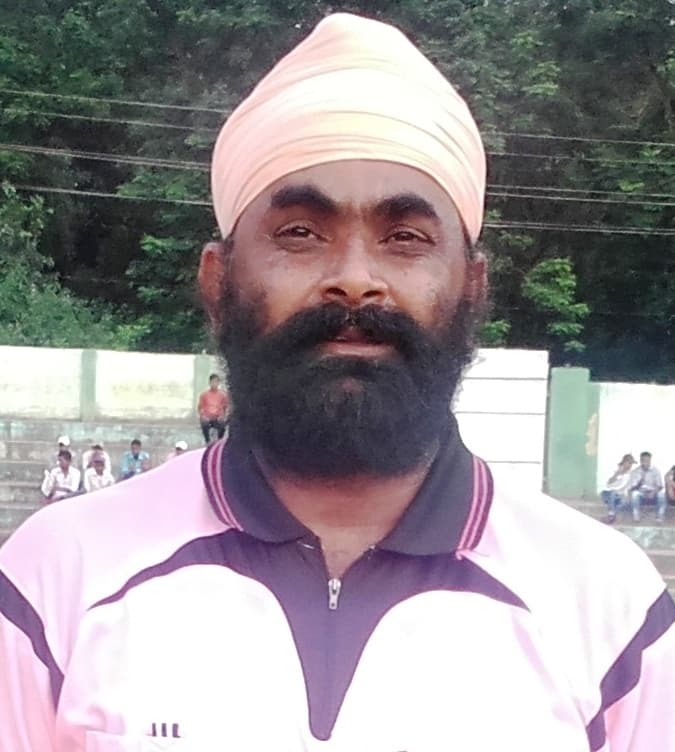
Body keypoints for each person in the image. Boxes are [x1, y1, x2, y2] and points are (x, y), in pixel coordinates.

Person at [0, 14, 673, 752]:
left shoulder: (609, 611)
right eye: (300, 232)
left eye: (405, 238)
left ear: (473, 290)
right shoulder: (54, 584)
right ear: (218, 282)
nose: (355, 279)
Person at [628, 451, 666, 523]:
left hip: (653, 493)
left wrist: (654, 492)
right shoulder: (636, 471)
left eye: (647, 460)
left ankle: (660, 516)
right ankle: (636, 515)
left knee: (661, 494)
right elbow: (632, 488)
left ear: (650, 460)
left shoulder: (655, 470)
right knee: (634, 494)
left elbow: (660, 486)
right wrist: (640, 483)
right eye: (643, 460)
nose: (645, 462)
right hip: (641, 493)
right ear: (640, 460)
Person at [600, 452, 635, 523]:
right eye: (629, 463)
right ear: (624, 462)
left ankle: (611, 515)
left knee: (623, 502)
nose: (630, 465)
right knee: (612, 493)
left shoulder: (631, 474)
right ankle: (611, 515)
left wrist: (629, 497)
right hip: (609, 493)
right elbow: (608, 484)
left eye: (631, 464)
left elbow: (629, 487)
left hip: (621, 495)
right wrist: (617, 474)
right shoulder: (615, 469)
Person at [197, 373, 230, 443]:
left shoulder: (223, 395)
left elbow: (226, 407)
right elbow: (200, 407)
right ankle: (207, 441)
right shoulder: (204, 395)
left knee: (222, 425)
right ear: (209, 383)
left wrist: (223, 416)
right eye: (213, 382)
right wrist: (203, 416)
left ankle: (219, 441)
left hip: (218, 418)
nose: (214, 384)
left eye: (216, 382)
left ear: (218, 383)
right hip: (207, 417)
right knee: (204, 424)